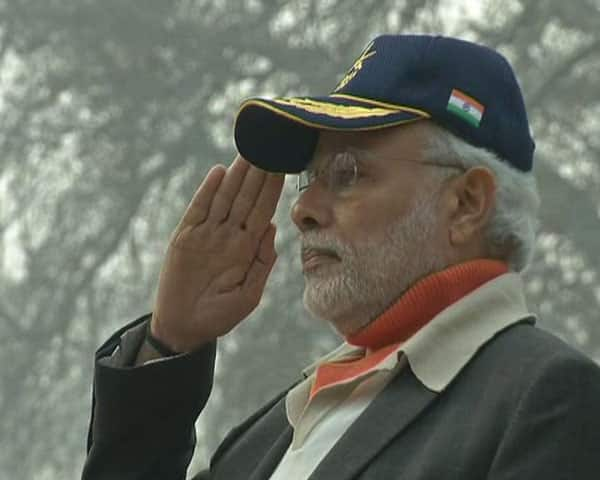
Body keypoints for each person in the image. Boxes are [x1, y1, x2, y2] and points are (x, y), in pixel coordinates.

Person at [82, 34, 600, 480]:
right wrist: (169, 342)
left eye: (348, 173)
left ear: (465, 204)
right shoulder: (275, 428)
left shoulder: (550, 400)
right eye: (312, 177)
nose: (302, 208)